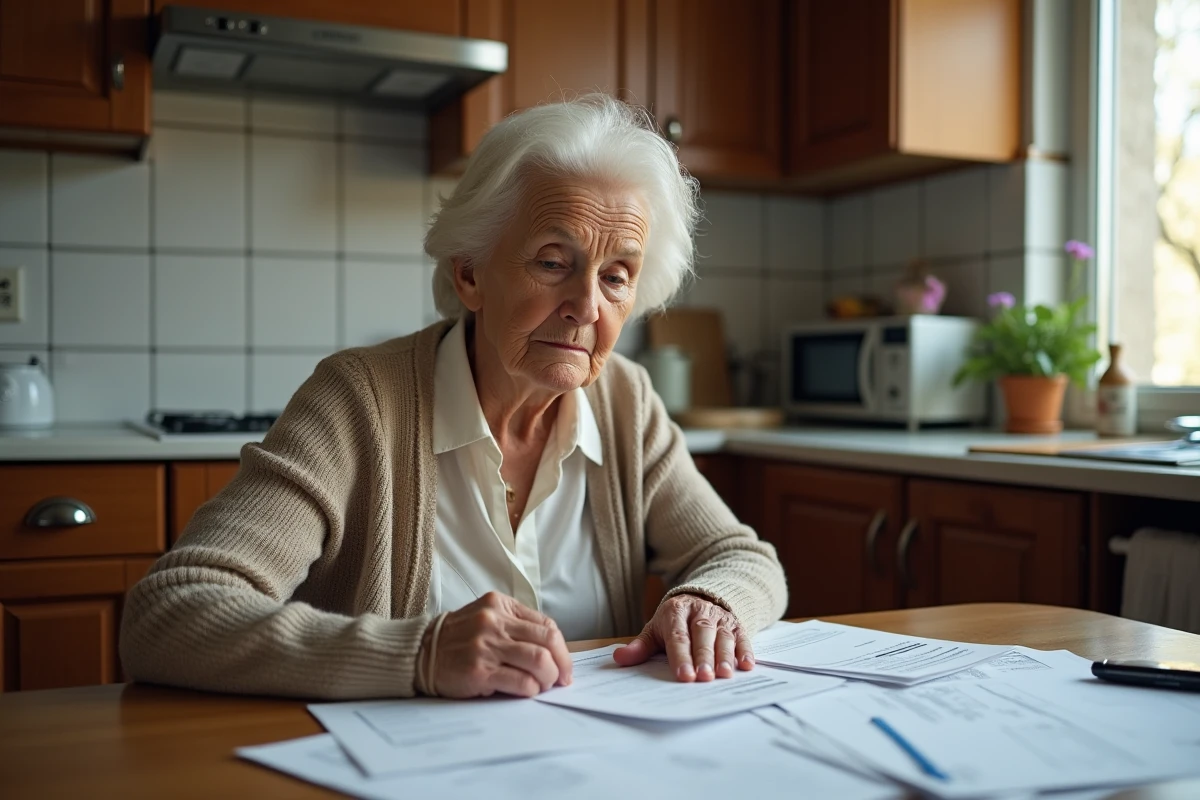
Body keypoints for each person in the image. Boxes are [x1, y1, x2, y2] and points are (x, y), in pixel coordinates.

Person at [120, 94, 787, 700]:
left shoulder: (625, 401)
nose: (586, 305)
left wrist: (711, 600)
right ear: (469, 274)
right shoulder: (358, 402)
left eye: (617, 277)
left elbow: (743, 558)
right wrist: (418, 652)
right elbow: (170, 613)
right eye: (553, 261)